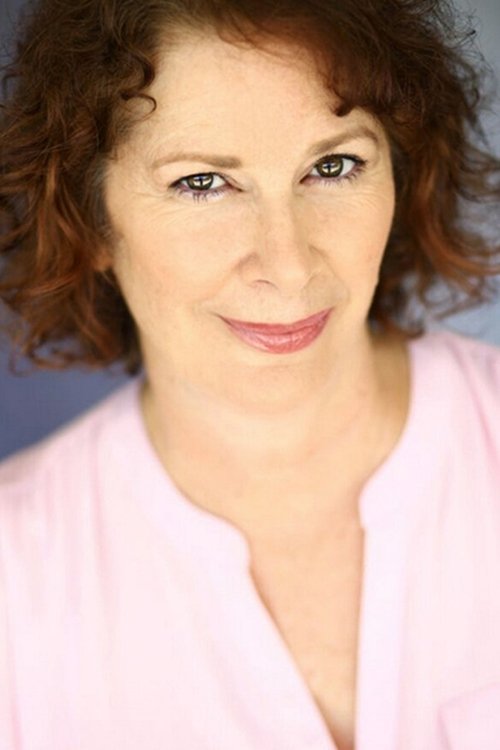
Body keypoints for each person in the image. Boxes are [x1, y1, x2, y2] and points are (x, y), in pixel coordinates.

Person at [1, 0, 500, 748]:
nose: (288, 265)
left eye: (333, 166)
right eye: (202, 183)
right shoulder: (16, 577)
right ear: (90, 216)